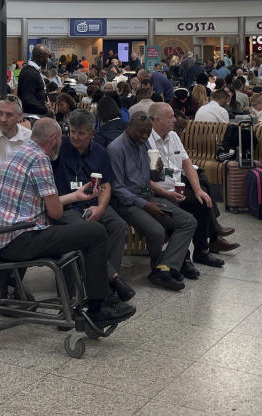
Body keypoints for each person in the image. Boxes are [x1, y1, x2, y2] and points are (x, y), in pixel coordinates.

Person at [0, 118, 136, 327]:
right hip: (19, 238)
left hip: (3, 236)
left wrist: (75, 196)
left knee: (86, 233)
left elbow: (47, 204)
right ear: (54, 139)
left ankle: (100, 300)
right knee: (95, 232)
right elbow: (55, 213)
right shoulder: (40, 159)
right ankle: (97, 308)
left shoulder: (20, 152)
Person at [108, 112, 198, 290]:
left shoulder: (143, 144)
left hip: (146, 195)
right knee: (156, 231)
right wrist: (146, 205)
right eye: (141, 132)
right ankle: (161, 269)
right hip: (127, 203)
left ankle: (163, 268)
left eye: (148, 133)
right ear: (129, 127)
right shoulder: (116, 148)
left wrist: (158, 171)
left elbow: (150, 177)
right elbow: (118, 189)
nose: (144, 136)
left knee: (188, 221)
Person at [51, 109, 134, 301]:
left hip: (93, 204)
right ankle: (111, 280)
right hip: (67, 206)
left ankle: (104, 282)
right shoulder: (59, 148)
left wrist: (101, 208)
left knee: (118, 226)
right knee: (88, 230)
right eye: (72, 131)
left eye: (81, 133)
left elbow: (106, 184)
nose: (75, 137)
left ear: (92, 133)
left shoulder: (99, 152)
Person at [147, 102, 236, 260]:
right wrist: (168, 193)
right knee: (178, 209)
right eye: (170, 117)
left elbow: (187, 163)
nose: (174, 120)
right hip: (158, 190)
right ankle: (184, 257)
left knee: (201, 199)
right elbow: (145, 178)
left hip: (176, 184)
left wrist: (197, 190)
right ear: (157, 120)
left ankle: (202, 251)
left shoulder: (173, 136)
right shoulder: (146, 140)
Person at [17, 44, 51, 117]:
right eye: (47, 57)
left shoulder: (33, 70)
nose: (48, 60)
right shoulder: (30, 73)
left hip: (35, 115)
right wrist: (45, 109)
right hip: (32, 117)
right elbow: (27, 98)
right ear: (40, 57)